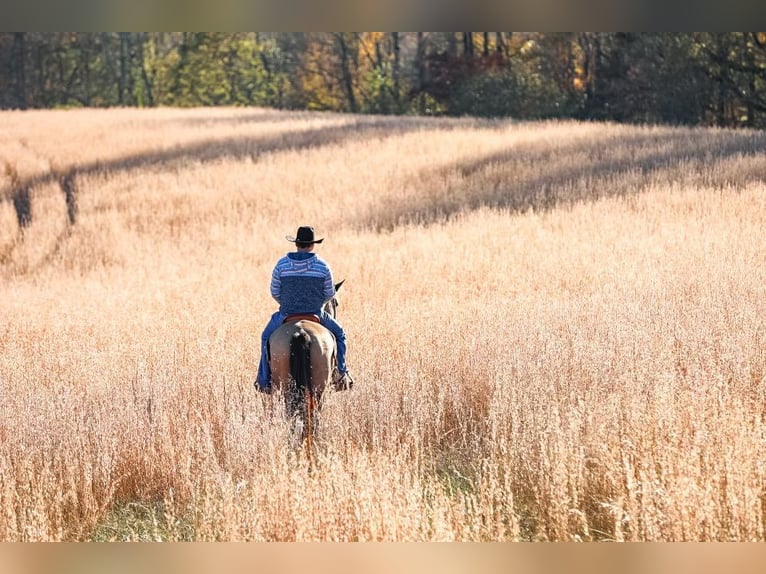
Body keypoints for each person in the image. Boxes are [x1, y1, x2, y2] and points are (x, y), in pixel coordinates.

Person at [255, 226, 354, 393]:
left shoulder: (282, 264)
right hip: (315, 313)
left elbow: (274, 291)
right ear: (312, 245)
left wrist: (287, 304)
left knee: (265, 337)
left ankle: (264, 381)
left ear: (296, 244)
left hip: (286, 313)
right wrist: (315, 303)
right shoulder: (323, 266)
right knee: (340, 335)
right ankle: (341, 374)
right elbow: (330, 293)